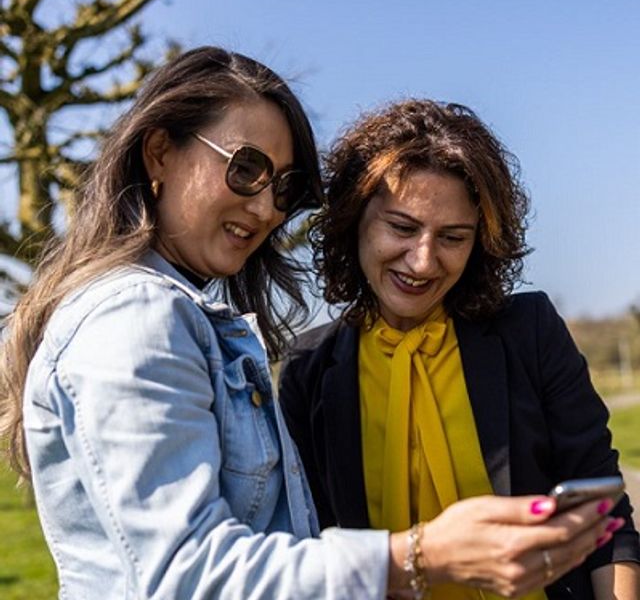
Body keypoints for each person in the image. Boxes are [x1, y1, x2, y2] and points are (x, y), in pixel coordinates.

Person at [0, 51, 622, 600]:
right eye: (244, 168)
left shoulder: (527, 329)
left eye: (283, 186)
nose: (266, 206)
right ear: (160, 152)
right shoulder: (145, 318)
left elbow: (604, 506)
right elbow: (184, 574)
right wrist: (420, 557)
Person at [279, 98, 640, 599]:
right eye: (402, 228)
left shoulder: (530, 331)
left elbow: (605, 514)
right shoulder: (306, 371)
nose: (423, 262)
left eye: (452, 236)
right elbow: (314, 550)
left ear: (480, 243)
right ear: (353, 220)